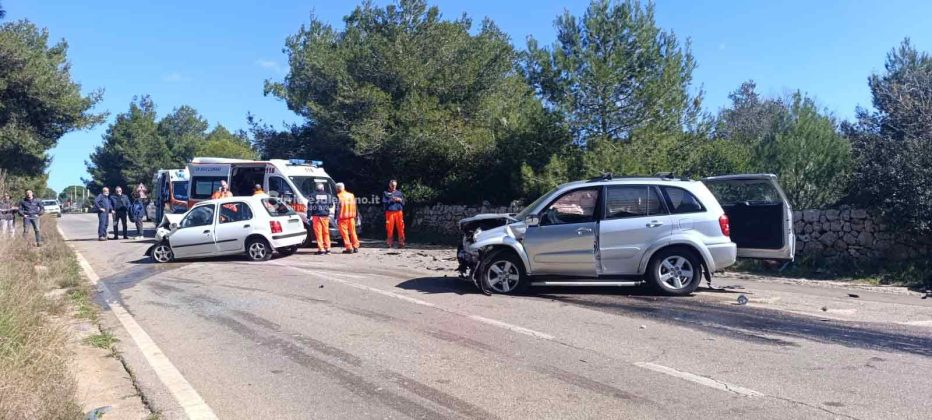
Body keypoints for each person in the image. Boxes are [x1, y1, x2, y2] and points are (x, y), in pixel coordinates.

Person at [308, 183, 335, 255]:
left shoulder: (312, 195)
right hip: (325, 216)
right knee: (326, 232)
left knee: (318, 233)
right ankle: (328, 249)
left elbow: (310, 207)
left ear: (316, 188)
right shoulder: (328, 195)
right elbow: (331, 205)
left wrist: (308, 216)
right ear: (323, 188)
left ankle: (321, 249)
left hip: (316, 217)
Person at [335, 183, 360, 254]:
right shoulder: (351, 195)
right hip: (351, 217)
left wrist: (335, 217)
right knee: (353, 232)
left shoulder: (338, 196)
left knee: (345, 234)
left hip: (342, 218)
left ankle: (349, 248)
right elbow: (355, 206)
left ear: (338, 189)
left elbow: (337, 208)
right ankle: (356, 247)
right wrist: (357, 216)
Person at [383, 179, 405, 248]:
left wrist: (400, 200)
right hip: (390, 212)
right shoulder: (385, 193)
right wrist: (391, 200)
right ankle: (389, 243)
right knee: (389, 228)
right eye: (392, 185)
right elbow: (384, 202)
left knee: (401, 227)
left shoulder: (399, 193)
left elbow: (404, 202)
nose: (393, 187)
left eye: (395, 186)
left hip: (399, 212)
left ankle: (401, 243)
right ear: (389, 185)